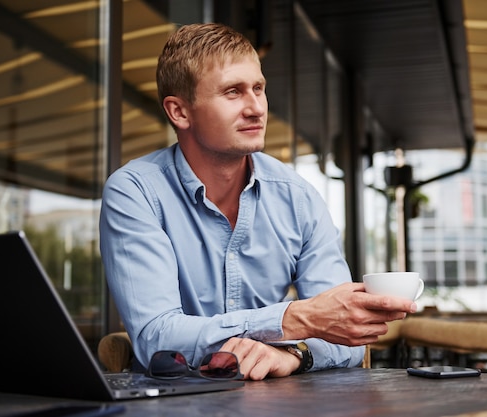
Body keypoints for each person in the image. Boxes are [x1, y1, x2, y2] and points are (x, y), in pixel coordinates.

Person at [99, 22, 416, 381]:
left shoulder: (297, 196)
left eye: (259, 88)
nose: (256, 108)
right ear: (180, 112)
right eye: (233, 92)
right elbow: (155, 336)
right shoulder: (135, 191)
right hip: (175, 402)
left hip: (279, 402)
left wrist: (293, 353)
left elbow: (347, 334)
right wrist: (292, 320)